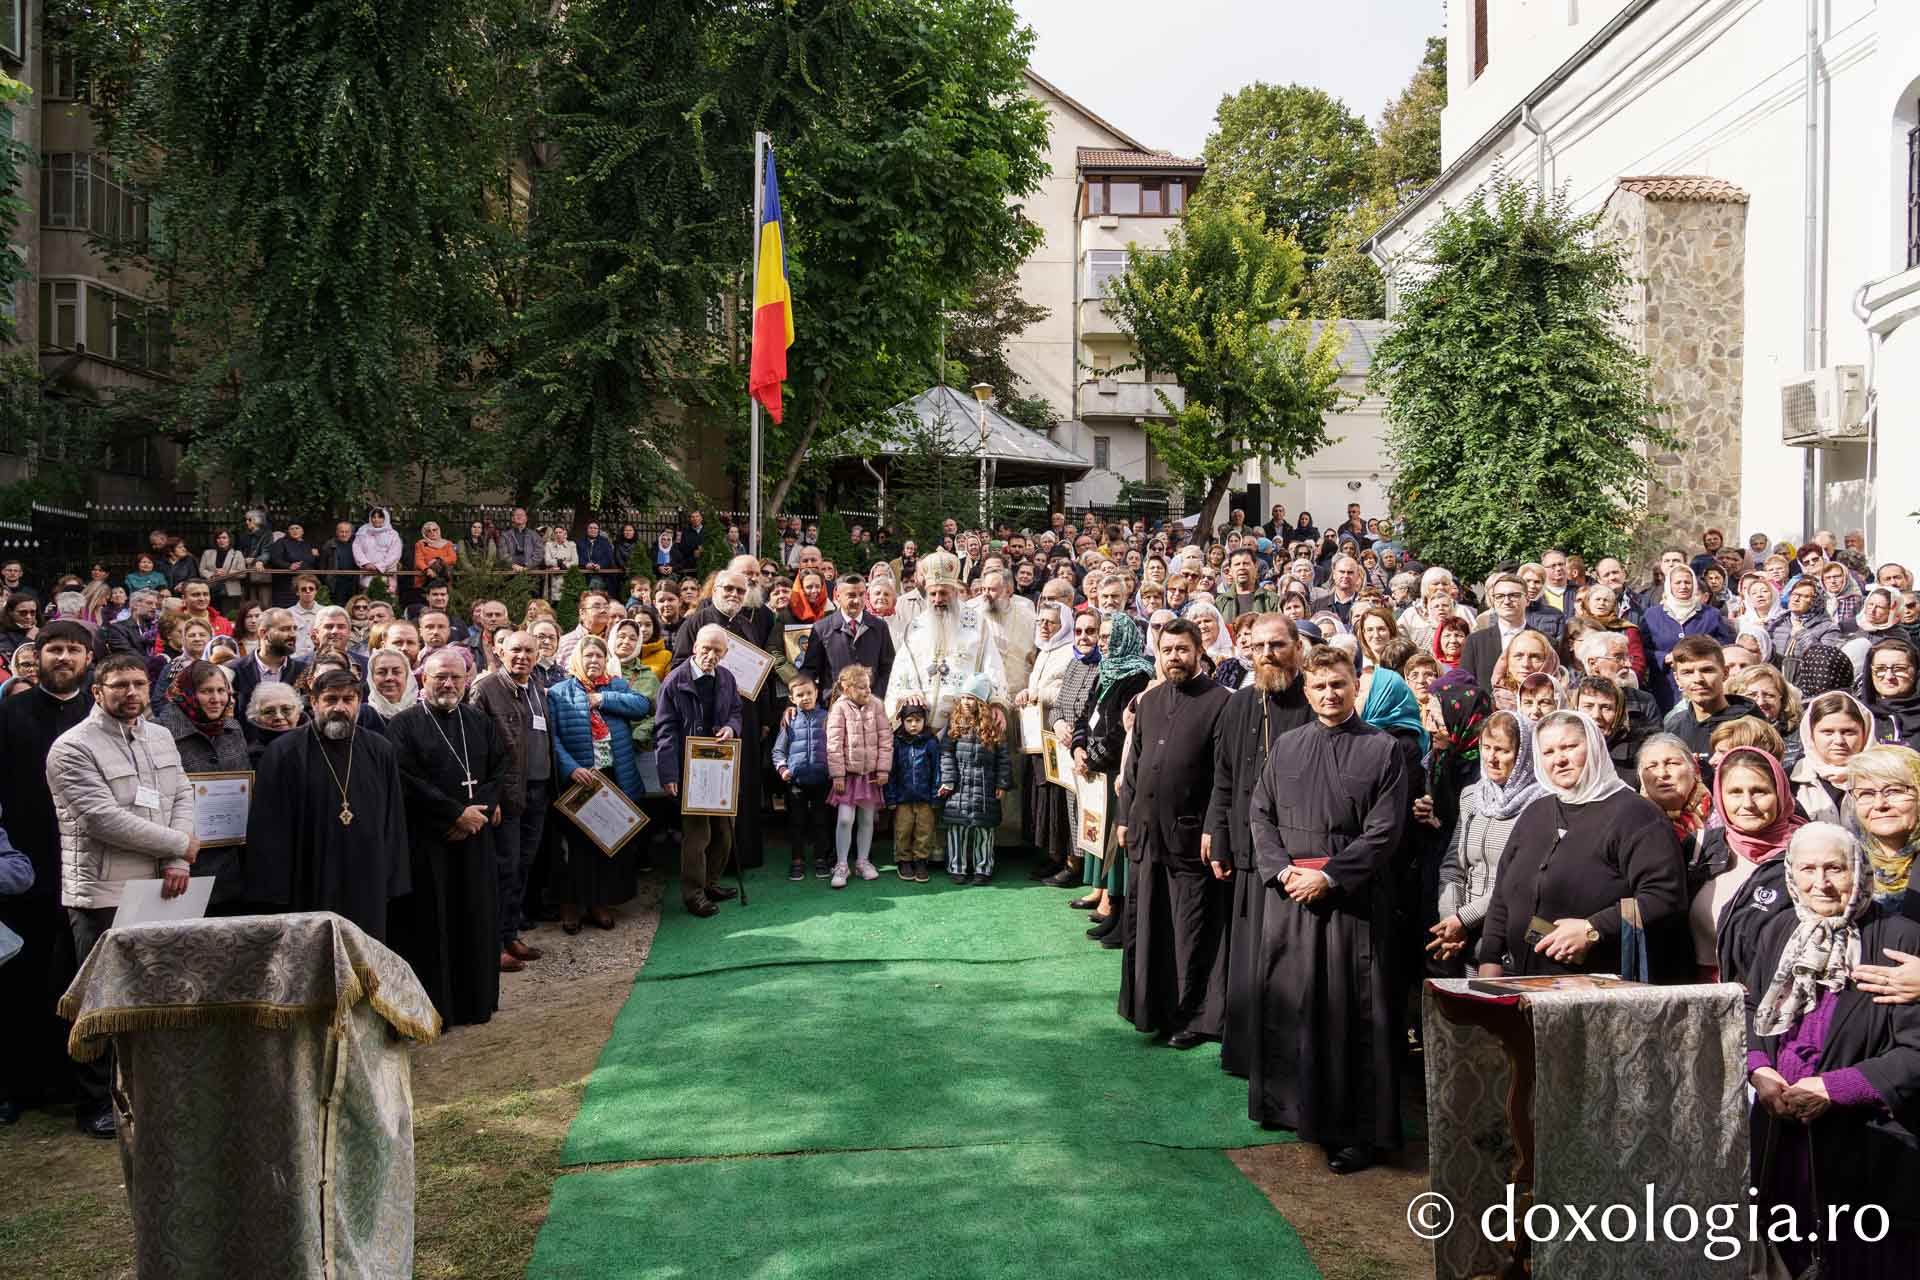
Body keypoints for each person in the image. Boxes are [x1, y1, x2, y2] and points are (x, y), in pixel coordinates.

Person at [1246, 646, 1408, 1172]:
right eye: (1318, 686)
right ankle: (1290, 1108)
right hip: (1291, 897)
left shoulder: (1383, 750)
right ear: (1307, 689)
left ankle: (1353, 1132)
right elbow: (1260, 813)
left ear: (1354, 685)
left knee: (1348, 1018)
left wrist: (1331, 877)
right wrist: (1282, 871)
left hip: (1350, 908)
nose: (1328, 694)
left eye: (1338, 684)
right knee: (1292, 1005)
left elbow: (1384, 832)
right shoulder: (1288, 746)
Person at [1744, 823, 1920, 1274]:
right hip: (1779, 1134)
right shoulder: (1778, 929)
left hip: (1865, 1144)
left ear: (1858, 872)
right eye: (1808, 868)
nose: (1820, 882)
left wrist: (1832, 1088)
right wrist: (1762, 1071)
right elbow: (1748, 1013)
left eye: (1835, 869)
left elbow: (1914, 1051)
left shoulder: (1899, 939)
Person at [47, 653, 199, 1138]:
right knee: (102, 1000)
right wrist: (178, 844)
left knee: (154, 995)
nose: (131, 692)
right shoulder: (71, 748)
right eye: (120, 685)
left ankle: (149, 1091)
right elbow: (100, 819)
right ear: (98, 691)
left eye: (138, 684)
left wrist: (177, 861)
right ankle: (95, 1103)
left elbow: (181, 795)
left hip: (163, 886)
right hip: (103, 893)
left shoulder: (158, 736)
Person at [1477, 710, 1690, 981]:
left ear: (1594, 747)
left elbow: (1664, 897)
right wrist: (1490, 960)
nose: (1560, 759)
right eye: (1549, 752)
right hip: (1525, 981)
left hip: (1602, 989)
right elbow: (1503, 894)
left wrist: (1594, 928)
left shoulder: (1636, 815)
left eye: (1570, 747)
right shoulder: (1536, 813)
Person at [1114, 618, 1232, 1050]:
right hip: (1145, 835)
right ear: (1158, 654)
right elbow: (1134, 767)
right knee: (1147, 925)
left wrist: (1213, 829)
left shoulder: (1221, 702)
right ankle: (1150, 1010)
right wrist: (1124, 818)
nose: (1174, 658)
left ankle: (1193, 1018)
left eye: (1183, 650)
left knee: (1190, 931)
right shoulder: (1148, 701)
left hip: (1190, 839)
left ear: (1199, 652)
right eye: (1167, 651)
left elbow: (1224, 777)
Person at [387, 649, 508, 1028]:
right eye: (440, 676)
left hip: (475, 839)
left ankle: (476, 1002)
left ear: (467, 680)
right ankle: (438, 1007)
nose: (448, 684)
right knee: (434, 924)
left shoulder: (480, 722)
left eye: (456, 677)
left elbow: (499, 769)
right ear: (424, 679)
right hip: (430, 842)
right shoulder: (402, 725)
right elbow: (406, 778)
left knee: (477, 917)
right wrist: (454, 814)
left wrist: (478, 814)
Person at [246, 668, 411, 941]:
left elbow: (393, 820)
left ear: (359, 702)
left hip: (367, 879)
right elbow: (268, 827)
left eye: (348, 699)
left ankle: (360, 988)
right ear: (314, 702)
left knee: (363, 961)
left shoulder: (380, 749)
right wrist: (274, 890)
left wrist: (392, 878)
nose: (339, 707)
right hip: (308, 877)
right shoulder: (284, 752)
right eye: (331, 699)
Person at [672, 564, 777, 871]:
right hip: (706, 722)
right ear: (714, 590)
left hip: (744, 720)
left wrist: (765, 717)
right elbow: (679, 666)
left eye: (740, 590)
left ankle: (739, 858)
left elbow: (763, 676)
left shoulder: (748, 625)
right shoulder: (696, 622)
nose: (734, 594)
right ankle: (706, 869)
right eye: (727, 589)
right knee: (710, 795)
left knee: (742, 788)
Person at [548, 634, 651, 930]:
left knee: (607, 843)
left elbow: (642, 706)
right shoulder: (558, 692)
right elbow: (552, 739)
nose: (594, 661)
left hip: (612, 778)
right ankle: (570, 905)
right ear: (577, 659)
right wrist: (571, 768)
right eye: (588, 656)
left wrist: (603, 698)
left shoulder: (615, 686)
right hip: (579, 781)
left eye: (599, 656)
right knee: (576, 848)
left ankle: (598, 902)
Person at [1431, 710, 1542, 977]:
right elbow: (1453, 866)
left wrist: (1463, 919)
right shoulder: (1473, 795)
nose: (1491, 758)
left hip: (1509, 934)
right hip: (1464, 936)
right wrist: (1451, 920)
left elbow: (1519, 879)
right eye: (1486, 747)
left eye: (1502, 750)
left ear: (1524, 754)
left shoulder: (1539, 804)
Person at [468, 631, 554, 971]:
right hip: (506, 796)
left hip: (538, 789)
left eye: (529, 651)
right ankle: (494, 944)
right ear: (500, 651)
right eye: (515, 649)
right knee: (503, 869)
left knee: (522, 866)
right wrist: (492, 799)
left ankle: (510, 932)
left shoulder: (535, 687)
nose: (522, 656)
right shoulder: (486, 689)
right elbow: (475, 748)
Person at [1684, 746, 1804, 984]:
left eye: (1759, 791)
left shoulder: (1807, 850)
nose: (1747, 803)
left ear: (1780, 792)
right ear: (1720, 795)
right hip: (1701, 997)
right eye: (1735, 792)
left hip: (1773, 998)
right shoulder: (1699, 847)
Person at [1072, 612, 1155, 942]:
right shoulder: (1105, 671)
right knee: (1100, 836)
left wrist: (1092, 757)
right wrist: (1078, 748)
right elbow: (1086, 714)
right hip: (1093, 768)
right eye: (1101, 637)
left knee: (1115, 843)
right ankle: (1108, 900)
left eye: (1108, 637)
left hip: (1115, 770)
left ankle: (1117, 906)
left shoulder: (1137, 675)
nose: (1102, 643)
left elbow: (1123, 733)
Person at [656, 623, 743, 917]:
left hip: (720, 765)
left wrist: (731, 727)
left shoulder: (727, 678)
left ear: (725, 653)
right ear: (695, 647)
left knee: (724, 832)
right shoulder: (674, 681)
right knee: (697, 835)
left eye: (717, 650)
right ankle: (693, 894)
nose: (710, 655)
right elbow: (665, 730)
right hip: (689, 768)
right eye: (706, 648)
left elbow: (736, 711)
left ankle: (710, 882)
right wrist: (668, 774)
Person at [152, 661, 251, 910]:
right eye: (206, 691)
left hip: (230, 858)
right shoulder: (160, 731)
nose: (216, 698)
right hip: (183, 860)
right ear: (187, 693)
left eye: (221, 690)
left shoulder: (233, 728)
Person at [937, 675, 1010, 885]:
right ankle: (957, 866)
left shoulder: (994, 727)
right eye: (964, 698)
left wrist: (1001, 784)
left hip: (985, 786)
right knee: (957, 827)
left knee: (984, 829)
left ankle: (983, 868)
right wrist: (948, 779)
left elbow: (1003, 758)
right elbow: (946, 753)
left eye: (972, 698)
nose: (967, 703)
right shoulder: (956, 724)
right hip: (959, 785)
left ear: (981, 702)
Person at [825, 663, 890, 888]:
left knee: (867, 819)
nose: (867, 691)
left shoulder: (877, 706)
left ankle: (863, 861)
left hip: (870, 774)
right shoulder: (839, 709)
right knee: (845, 818)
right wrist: (838, 775)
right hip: (848, 775)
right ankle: (842, 864)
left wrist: (883, 769)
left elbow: (885, 739)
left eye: (868, 686)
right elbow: (833, 744)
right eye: (862, 687)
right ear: (847, 689)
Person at [773, 673, 832, 881]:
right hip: (796, 783)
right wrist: (783, 769)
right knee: (796, 823)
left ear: (817, 693)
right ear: (792, 698)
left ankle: (820, 859)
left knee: (820, 822)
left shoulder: (827, 718)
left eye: (809, 693)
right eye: (800, 694)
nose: (805, 697)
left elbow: (835, 746)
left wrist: (833, 769)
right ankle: (797, 860)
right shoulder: (789, 721)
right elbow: (778, 751)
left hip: (822, 781)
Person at [1661, 635, 1760, 759]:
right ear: (1677, 679)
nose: (1698, 679)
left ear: (1725, 673)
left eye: (1707, 670)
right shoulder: (1675, 726)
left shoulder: (1751, 724)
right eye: (1687, 672)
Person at [798, 574, 893, 697]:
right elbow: (810, 670)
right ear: (837, 595)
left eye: (862, 594)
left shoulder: (880, 627)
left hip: (871, 703)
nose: (857, 600)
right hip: (834, 705)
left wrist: (876, 695)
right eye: (851, 595)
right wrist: (794, 702)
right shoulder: (821, 629)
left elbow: (888, 668)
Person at [885, 705, 941, 885]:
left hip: (925, 798)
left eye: (918, 721)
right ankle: (904, 860)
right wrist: (891, 797)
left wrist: (935, 795)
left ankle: (921, 861)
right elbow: (891, 772)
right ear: (902, 721)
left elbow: (937, 771)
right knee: (903, 830)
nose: (914, 725)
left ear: (925, 721)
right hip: (903, 798)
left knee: (924, 831)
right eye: (909, 721)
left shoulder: (931, 742)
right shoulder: (897, 742)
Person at [1861, 636, 1920, 747]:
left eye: (1899, 668)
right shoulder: (1859, 715)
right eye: (1880, 669)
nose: (1889, 676)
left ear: (1916, 671)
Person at [365, 648, 418, 721]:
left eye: (396, 672)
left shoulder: (424, 713)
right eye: (381, 672)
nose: (389, 678)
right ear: (371, 678)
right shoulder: (361, 715)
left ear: (407, 676)